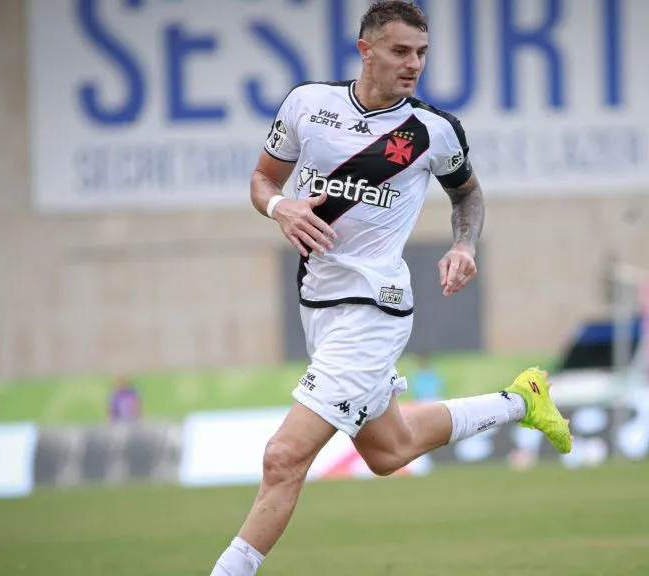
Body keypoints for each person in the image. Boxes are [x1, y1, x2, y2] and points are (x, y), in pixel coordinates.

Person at [207, 3, 571, 575]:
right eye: (401, 51)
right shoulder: (308, 105)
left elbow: (467, 195)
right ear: (365, 49)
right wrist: (280, 207)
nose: (414, 64)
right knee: (389, 450)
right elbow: (262, 180)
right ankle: (522, 399)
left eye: (422, 53)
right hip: (319, 306)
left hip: (373, 309)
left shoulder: (432, 131)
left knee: (283, 457)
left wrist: (464, 244)